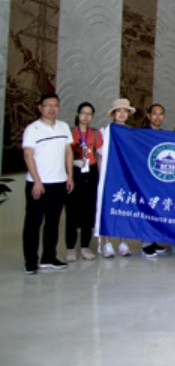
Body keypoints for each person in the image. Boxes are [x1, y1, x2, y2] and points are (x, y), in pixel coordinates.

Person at [22, 93, 73, 273]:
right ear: (40, 107)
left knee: (53, 222)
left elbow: (68, 152)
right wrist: (37, 181)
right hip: (39, 184)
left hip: (59, 183)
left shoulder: (63, 127)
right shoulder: (33, 129)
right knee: (33, 223)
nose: (52, 109)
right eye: (48, 105)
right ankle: (30, 261)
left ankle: (49, 257)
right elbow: (28, 156)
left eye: (55, 105)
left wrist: (70, 176)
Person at [66, 102, 102, 262]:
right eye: (83, 113)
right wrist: (69, 175)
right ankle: (70, 248)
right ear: (77, 114)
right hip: (74, 171)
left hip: (91, 172)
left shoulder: (95, 133)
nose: (86, 116)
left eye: (89, 114)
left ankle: (85, 247)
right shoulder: (69, 132)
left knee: (89, 210)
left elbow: (98, 154)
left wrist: (99, 175)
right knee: (72, 211)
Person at [101, 98, 137, 258]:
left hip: (126, 174)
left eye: (125, 111)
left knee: (125, 207)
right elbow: (100, 154)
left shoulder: (131, 132)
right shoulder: (106, 131)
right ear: (113, 114)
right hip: (110, 174)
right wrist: (102, 173)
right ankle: (107, 243)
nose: (122, 114)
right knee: (108, 207)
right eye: (119, 111)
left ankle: (123, 242)